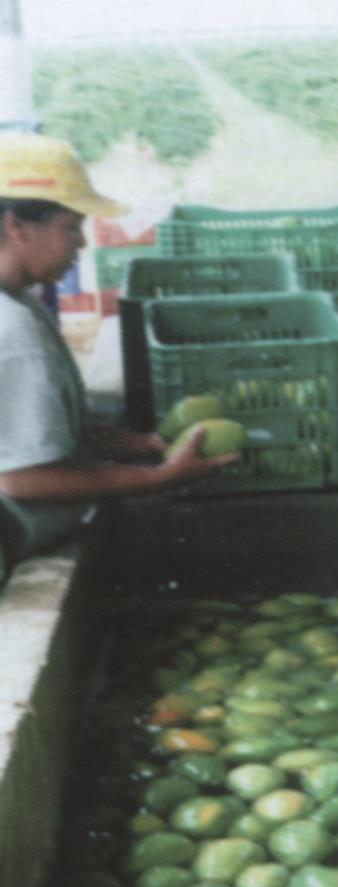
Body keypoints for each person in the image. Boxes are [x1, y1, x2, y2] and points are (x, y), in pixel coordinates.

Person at [0, 132, 239, 569]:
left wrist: (146, 444)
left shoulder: (21, 302)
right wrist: (159, 478)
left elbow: (50, 430)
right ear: (16, 226)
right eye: (71, 227)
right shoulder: (12, 330)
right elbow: (20, 477)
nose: (82, 245)